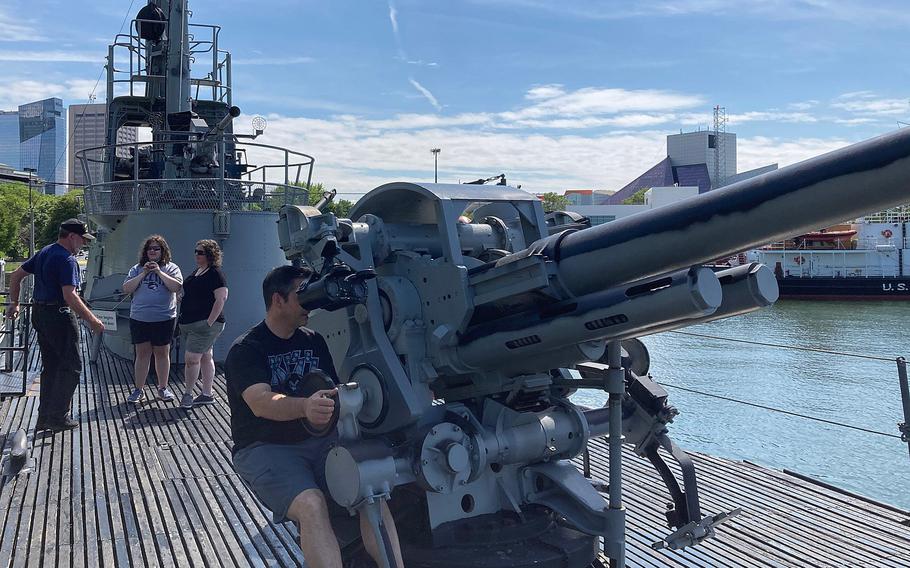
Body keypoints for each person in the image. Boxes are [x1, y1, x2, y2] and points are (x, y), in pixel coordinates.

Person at [226, 265, 403, 568]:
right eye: (302, 294)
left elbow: (331, 390)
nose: (310, 303)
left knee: (370, 489)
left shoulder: (313, 340)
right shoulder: (247, 348)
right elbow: (260, 402)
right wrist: (304, 406)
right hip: (264, 448)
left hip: (319, 443)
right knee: (311, 504)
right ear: (278, 300)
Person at [4, 219, 105, 431]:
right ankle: (58, 416)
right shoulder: (67, 260)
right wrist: (93, 321)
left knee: (50, 367)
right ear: (71, 236)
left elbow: (16, 276)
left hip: (39, 314)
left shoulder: (45, 251)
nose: (83, 245)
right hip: (59, 316)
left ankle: (44, 416)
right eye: (82, 240)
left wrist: (13, 303)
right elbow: (70, 295)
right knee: (72, 367)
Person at [123, 235, 183, 404]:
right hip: (140, 317)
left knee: (162, 353)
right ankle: (138, 389)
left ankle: (162, 388)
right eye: (150, 248)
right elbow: (126, 288)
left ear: (162, 251)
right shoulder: (136, 269)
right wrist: (143, 273)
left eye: (157, 248)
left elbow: (176, 287)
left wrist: (158, 271)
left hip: (163, 318)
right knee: (142, 354)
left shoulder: (171, 268)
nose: (153, 251)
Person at [178, 239, 227, 408]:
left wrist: (208, 323)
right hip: (190, 322)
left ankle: (188, 394)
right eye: (196, 251)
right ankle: (207, 393)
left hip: (204, 325)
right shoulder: (197, 271)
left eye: (201, 252)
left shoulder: (215, 273)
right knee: (206, 356)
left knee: (192, 358)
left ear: (210, 255)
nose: (196, 255)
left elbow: (221, 298)